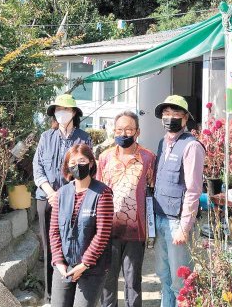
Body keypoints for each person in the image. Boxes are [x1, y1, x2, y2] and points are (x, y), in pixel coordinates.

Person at [33, 94, 93, 304]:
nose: (62, 113)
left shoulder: (84, 138)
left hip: (73, 199)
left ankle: (72, 287)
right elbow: (38, 168)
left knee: (73, 242)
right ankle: (50, 296)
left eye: (66, 109)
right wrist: (52, 193)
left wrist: (64, 195)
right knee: (50, 246)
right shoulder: (45, 137)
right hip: (46, 199)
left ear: (74, 113)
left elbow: (85, 170)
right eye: (58, 109)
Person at [98, 111, 156, 307]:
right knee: (107, 281)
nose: (124, 133)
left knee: (133, 283)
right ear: (113, 131)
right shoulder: (105, 157)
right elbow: (97, 191)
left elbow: (152, 188)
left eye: (129, 129)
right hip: (107, 230)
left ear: (137, 131)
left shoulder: (148, 158)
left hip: (135, 231)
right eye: (120, 130)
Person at [152, 95, 205, 307]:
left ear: (185, 119)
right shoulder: (161, 143)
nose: (170, 118)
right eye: (166, 114)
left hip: (177, 224)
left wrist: (185, 227)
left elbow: (193, 190)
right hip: (159, 218)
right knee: (163, 275)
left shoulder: (192, 146)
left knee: (180, 279)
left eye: (175, 114)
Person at [49, 143, 114, 307]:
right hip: (64, 265)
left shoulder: (102, 193)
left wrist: (84, 264)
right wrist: (58, 262)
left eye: (82, 160)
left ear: (91, 163)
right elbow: (54, 231)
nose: (77, 166)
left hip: (92, 268)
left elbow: (102, 234)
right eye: (72, 163)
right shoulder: (61, 194)